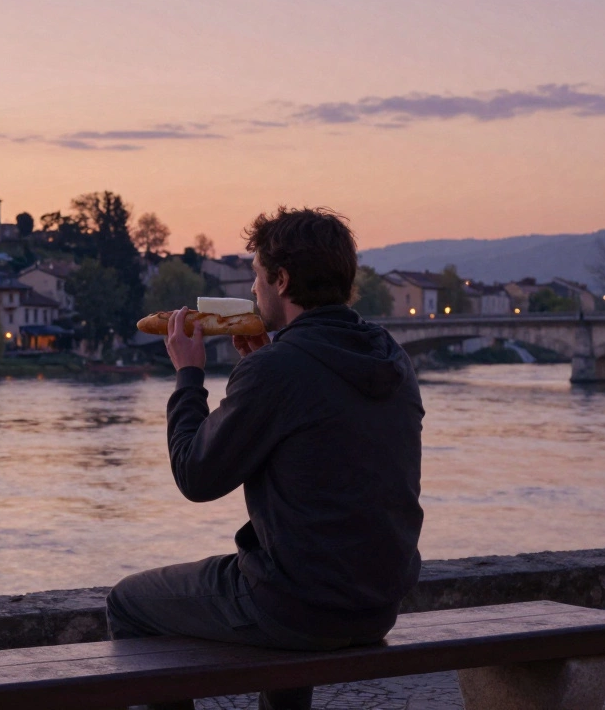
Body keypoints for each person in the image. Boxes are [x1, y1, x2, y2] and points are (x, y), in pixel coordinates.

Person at [106, 207, 425, 710]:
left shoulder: (280, 369)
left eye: (257, 277)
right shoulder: (390, 356)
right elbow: (318, 446)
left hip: (298, 608)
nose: (253, 292)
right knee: (295, 573)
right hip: (378, 604)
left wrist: (190, 375)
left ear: (282, 279)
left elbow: (196, 475)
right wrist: (256, 370)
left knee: (128, 603)